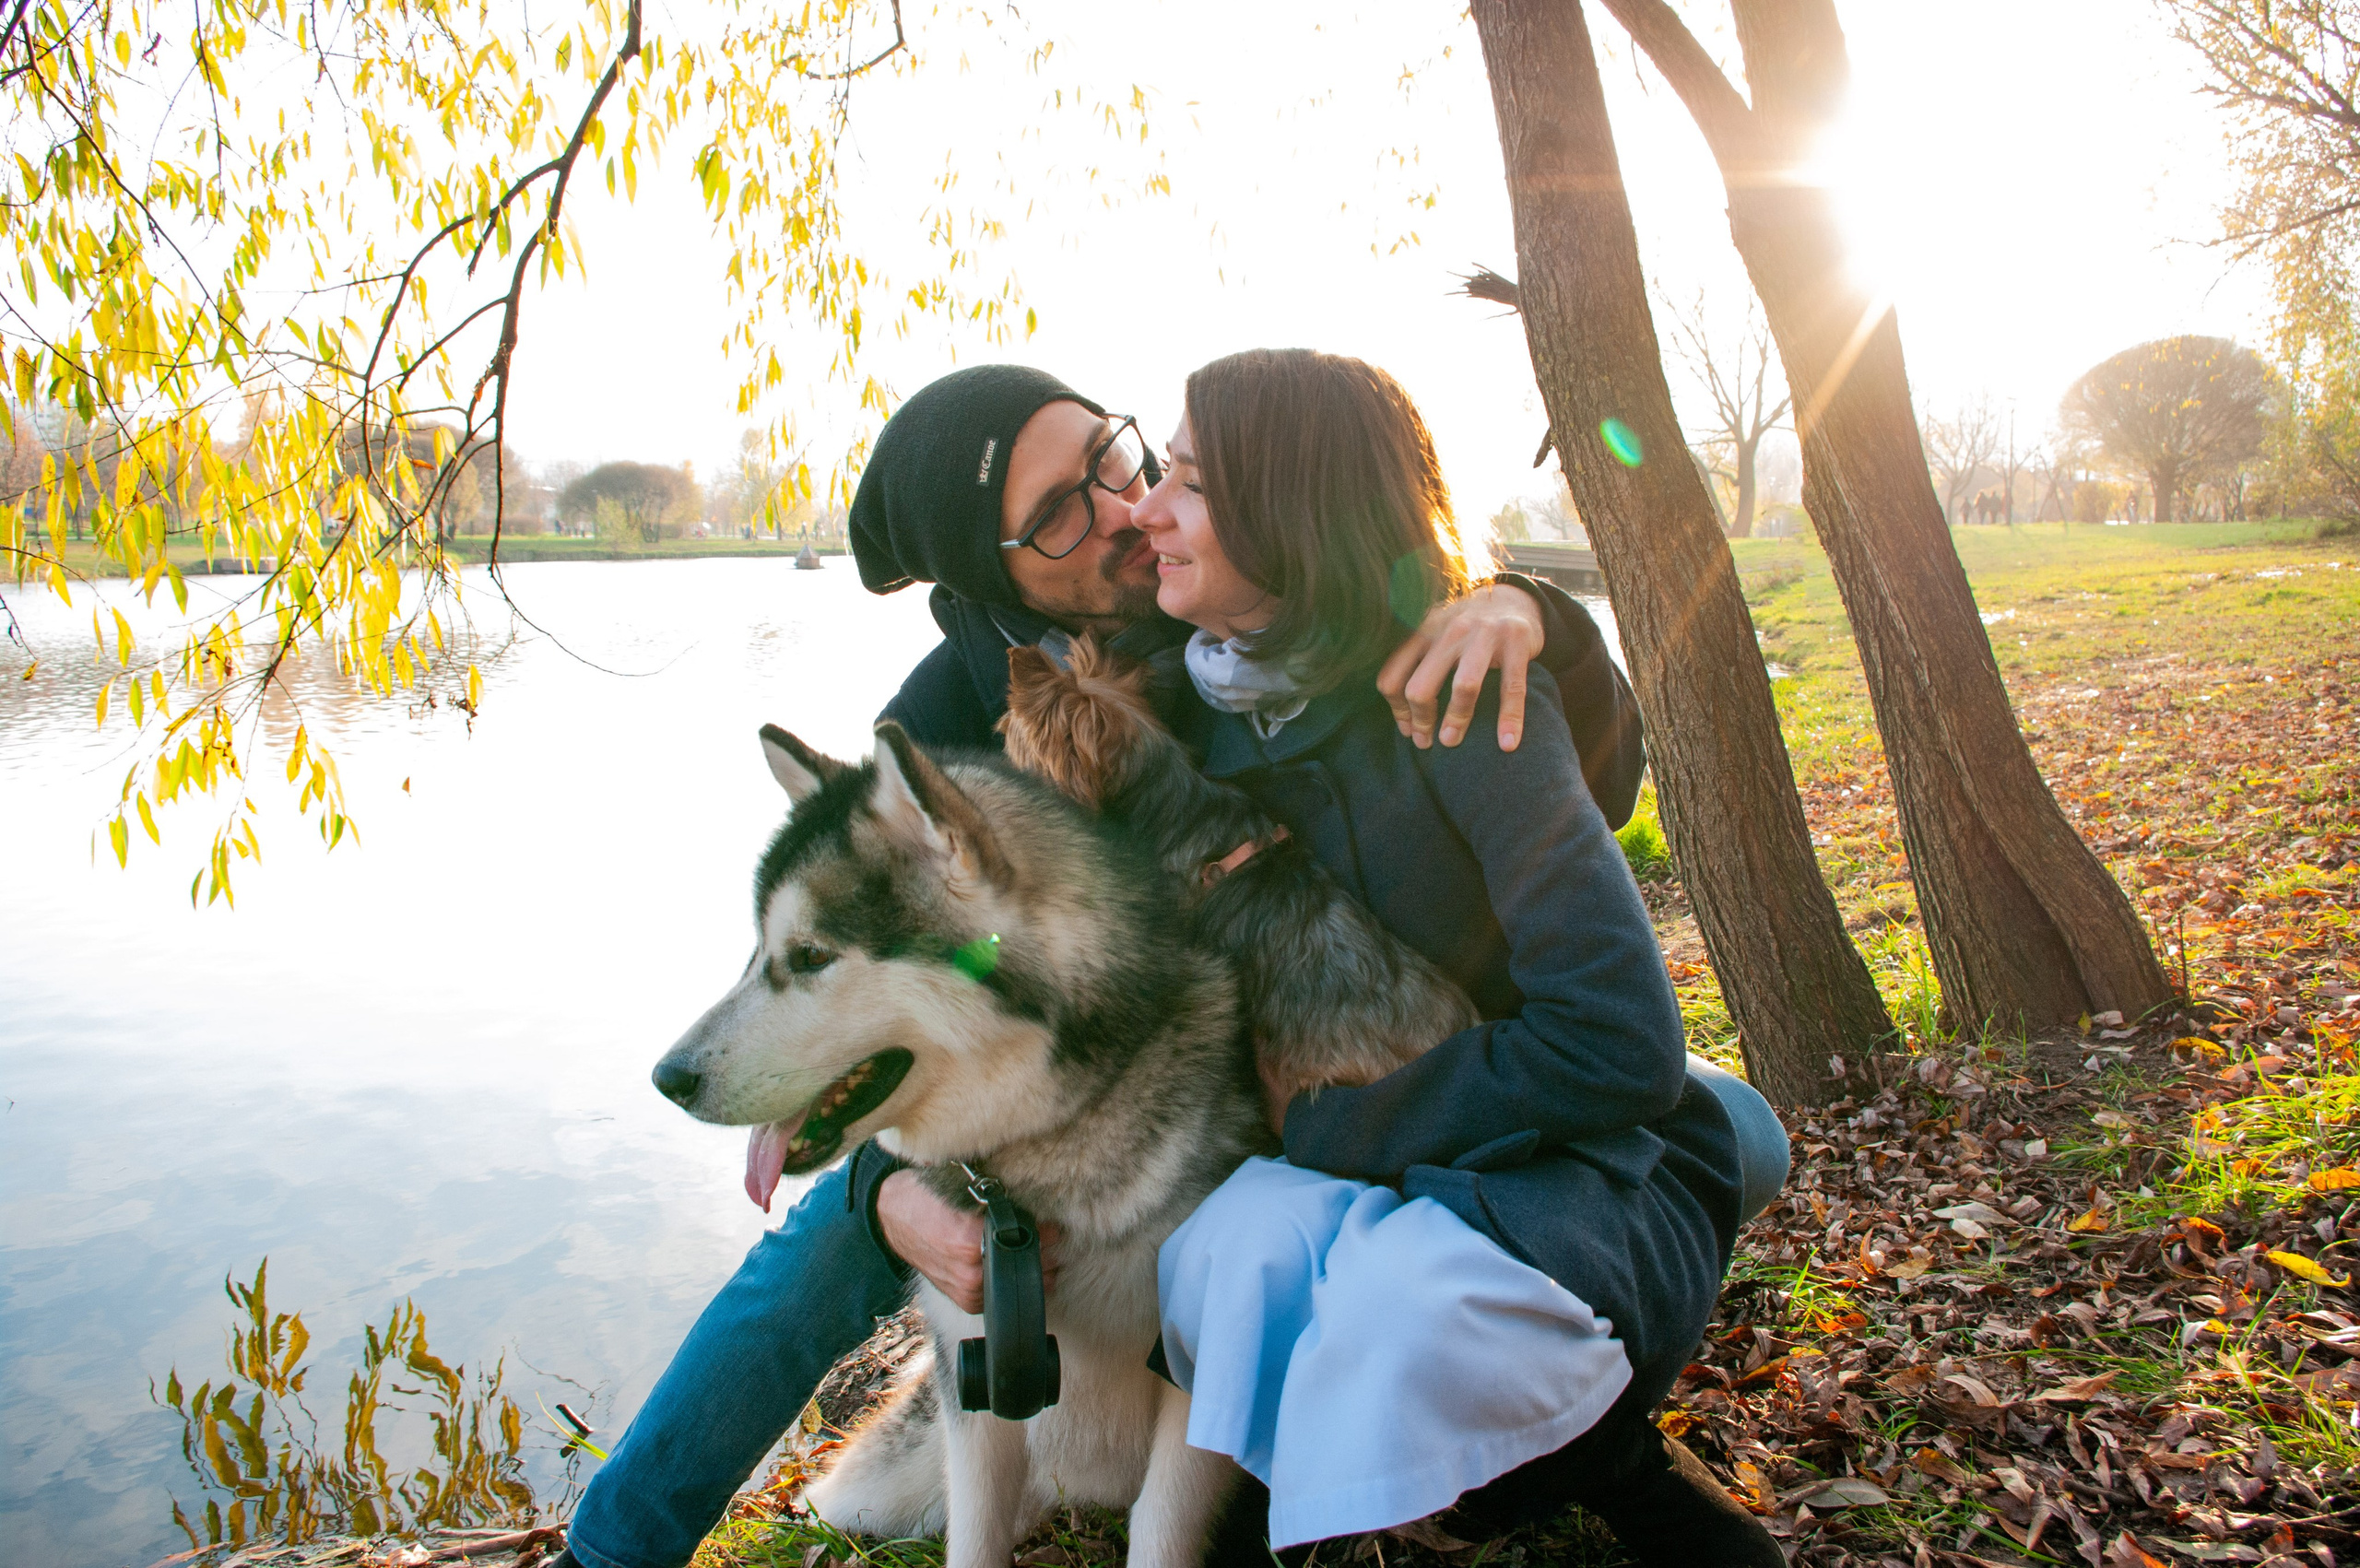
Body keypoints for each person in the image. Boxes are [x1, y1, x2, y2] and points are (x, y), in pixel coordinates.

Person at [553, 363, 1646, 1568]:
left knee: (1724, 1131)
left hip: (1306, 1062)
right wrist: (886, 1189)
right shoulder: (959, 721)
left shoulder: (1200, 593)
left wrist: (1537, 611)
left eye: (1114, 457)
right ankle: (612, 1547)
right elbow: (843, 975)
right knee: (829, 1237)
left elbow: (1384, 562)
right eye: (1062, 510)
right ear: (999, 573)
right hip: (1094, 1062)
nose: (1125, 507)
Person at [1134, 348, 1783, 1565]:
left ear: (1296, 508)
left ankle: (1630, 1477)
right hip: (1358, 1164)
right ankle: (1267, 1516)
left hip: (1564, 1161)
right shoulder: (1186, 719)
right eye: (1158, 473)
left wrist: (1332, 1127)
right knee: (1217, 1257)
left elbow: (1620, 1044)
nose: (1145, 511)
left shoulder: (1459, 695)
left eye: (1192, 483)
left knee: (1407, 1308)